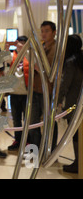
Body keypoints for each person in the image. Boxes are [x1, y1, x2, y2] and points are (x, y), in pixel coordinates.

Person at [29, 21, 58, 150]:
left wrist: (40, 69)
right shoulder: (41, 48)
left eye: (47, 31)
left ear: (54, 32)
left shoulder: (57, 49)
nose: (44, 34)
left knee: (50, 122)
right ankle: (36, 150)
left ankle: (50, 149)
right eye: (42, 31)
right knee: (33, 122)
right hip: (36, 89)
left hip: (49, 91)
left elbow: (55, 71)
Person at [58, 34, 83, 173]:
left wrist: (57, 100)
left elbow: (65, 84)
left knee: (75, 134)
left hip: (74, 104)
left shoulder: (71, 62)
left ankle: (78, 163)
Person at [6, 35, 30, 151]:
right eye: (19, 42)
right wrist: (6, 48)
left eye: (23, 42)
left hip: (27, 94)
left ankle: (27, 141)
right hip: (14, 93)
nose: (20, 44)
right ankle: (18, 140)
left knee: (27, 119)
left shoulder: (29, 55)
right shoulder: (12, 55)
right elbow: (4, 59)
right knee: (16, 119)